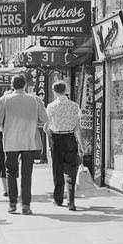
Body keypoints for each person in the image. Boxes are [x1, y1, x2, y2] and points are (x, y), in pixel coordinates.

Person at [0, 75, 48, 215]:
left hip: (11, 141)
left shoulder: (4, 100)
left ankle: (12, 204)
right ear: (25, 85)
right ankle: (26, 205)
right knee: (26, 174)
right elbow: (45, 118)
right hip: (29, 141)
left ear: (12, 85)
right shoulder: (35, 100)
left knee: (10, 172)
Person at [46, 81, 83, 211]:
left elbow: (46, 126)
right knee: (71, 170)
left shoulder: (51, 106)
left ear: (54, 91)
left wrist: (49, 136)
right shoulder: (74, 106)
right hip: (71, 138)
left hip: (56, 138)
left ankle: (58, 199)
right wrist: (80, 144)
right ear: (66, 90)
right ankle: (71, 201)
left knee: (57, 170)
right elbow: (77, 127)